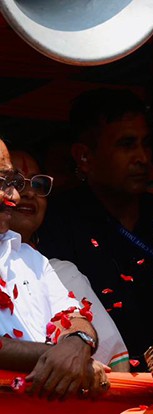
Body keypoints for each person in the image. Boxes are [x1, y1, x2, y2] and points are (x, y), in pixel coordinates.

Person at [37, 88, 153, 371]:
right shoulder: (58, 222)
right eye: (127, 145)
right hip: (113, 388)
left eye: (146, 144)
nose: (142, 158)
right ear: (84, 156)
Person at [0, 139, 109, 400]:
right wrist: (61, 358)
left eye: (11, 181)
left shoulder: (30, 258)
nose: (15, 195)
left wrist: (77, 342)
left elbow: (74, 316)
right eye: (3, 181)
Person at [8, 149, 130, 372]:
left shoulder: (53, 270)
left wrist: (78, 340)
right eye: (14, 182)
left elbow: (114, 366)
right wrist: (55, 354)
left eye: (38, 184)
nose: (26, 193)